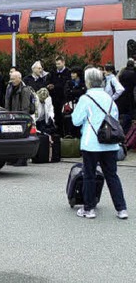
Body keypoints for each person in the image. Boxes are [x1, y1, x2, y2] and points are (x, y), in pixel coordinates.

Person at [71, 68, 128, 220]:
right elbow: (114, 117)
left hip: (91, 143)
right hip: (110, 143)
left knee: (89, 175)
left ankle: (89, 209)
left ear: (88, 81)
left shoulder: (85, 98)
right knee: (112, 176)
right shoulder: (109, 98)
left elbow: (76, 121)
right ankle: (121, 209)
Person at [5, 70, 33, 166]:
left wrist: (22, 118)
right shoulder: (9, 88)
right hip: (11, 116)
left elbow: (25, 107)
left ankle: (22, 159)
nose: (11, 81)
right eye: (11, 78)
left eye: (13, 79)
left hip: (20, 117)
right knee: (12, 138)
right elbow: (7, 102)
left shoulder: (25, 90)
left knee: (22, 138)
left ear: (19, 79)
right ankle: (13, 158)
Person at [46, 56, 71, 136]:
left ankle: (65, 134)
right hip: (54, 98)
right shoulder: (52, 73)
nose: (57, 66)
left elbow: (66, 84)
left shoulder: (68, 72)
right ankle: (57, 133)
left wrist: (55, 86)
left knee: (63, 117)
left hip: (63, 98)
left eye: (59, 64)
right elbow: (48, 81)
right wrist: (49, 86)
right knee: (56, 116)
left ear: (63, 62)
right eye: (56, 64)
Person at [117, 60, 136, 133]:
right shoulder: (134, 73)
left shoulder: (122, 72)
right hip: (131, 95)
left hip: (122, 96)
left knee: (123, 115)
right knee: (130, 113)